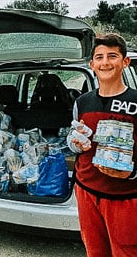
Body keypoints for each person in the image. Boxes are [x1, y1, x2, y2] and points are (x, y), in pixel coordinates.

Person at [67, 33, 137, 256]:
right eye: (99, 57)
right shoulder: (82, 101)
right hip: (86, 190)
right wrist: (75, 143)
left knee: (126, 252)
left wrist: (133, 173)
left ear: (125, 62)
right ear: (92, 64)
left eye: (112, 56)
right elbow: (72, 135)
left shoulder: (136, 102)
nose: (105, 62)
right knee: (94, 251)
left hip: (124, 197)